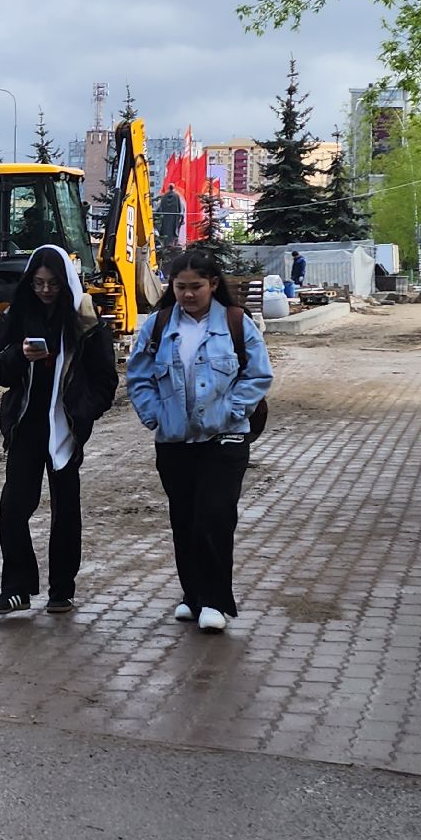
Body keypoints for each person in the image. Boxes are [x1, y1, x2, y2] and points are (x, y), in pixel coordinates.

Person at [126, 248, 274, 633]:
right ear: (171, 287)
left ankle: (217, 602)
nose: (188, 295)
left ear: (213, 284)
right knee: (185, 519)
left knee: (215, 516)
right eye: (180, 287)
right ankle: (192, 597)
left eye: (196, 287)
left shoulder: (235, 322)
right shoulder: (158, 326)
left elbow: (257, 375)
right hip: (174, 440)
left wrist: (231, 411)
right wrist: (153, 415)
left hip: (224, 437)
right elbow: (138, 377)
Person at [0, 246, 119, 615]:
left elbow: (106, 381)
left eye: (53, 284)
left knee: (66, 511)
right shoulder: (17, 316)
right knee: (13, 508)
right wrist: (17, 356)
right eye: (38, 283)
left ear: (66, 284)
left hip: (66, 429)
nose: (45, 290)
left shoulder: (85, 322)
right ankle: (16, 588)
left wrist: (85, 413)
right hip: (26, 427)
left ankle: (62, 590)